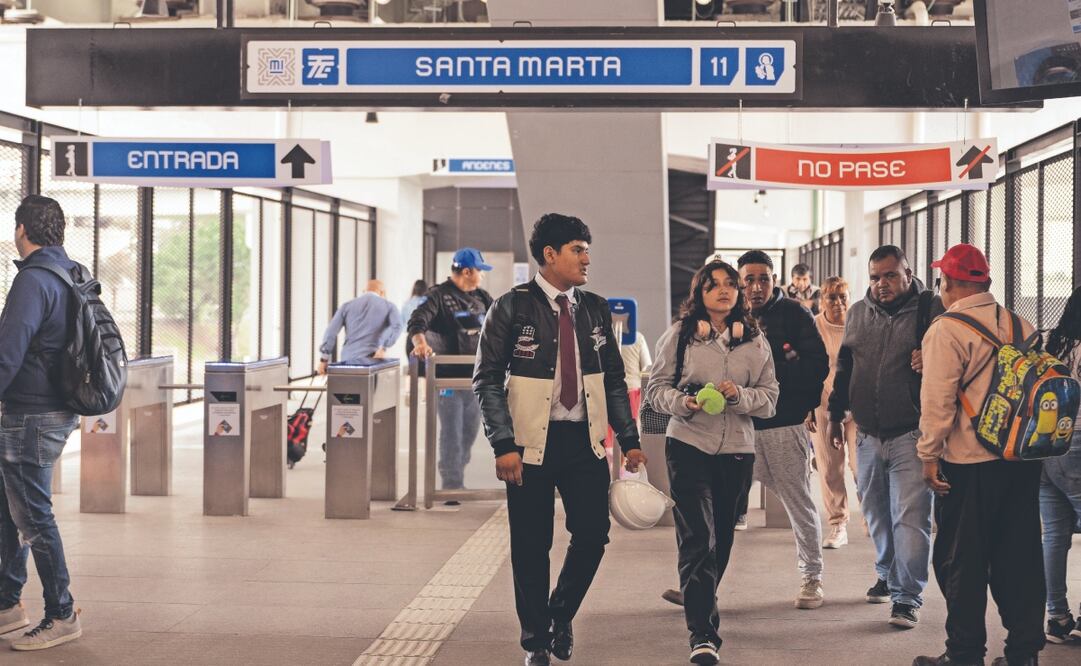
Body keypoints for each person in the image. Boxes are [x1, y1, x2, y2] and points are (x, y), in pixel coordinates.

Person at [473, 213, 645, 666]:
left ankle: (559, 614)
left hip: (584, 443)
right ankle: (536, 642)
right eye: (577, 249)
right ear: (549, 254)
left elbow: (612, 378)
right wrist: (502, 444)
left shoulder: (594, 308)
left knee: (593, 534)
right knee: (531, 546)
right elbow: (487, 379)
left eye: (587, 248)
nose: (587, 258)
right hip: (529, 447)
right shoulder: (511, 307)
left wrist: (628, 439)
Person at [914, 244, 1045, 666]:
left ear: (947, 283)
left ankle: (964, 654)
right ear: (985, 282)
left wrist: (928, 456)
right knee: (1020, 556)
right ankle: (1023, 654)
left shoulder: (946, 329)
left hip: (968, 466)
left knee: (961, 563)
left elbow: (938, 402)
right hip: (1021, 461)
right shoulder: (1022, 325)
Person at [647, 260, 778, 665]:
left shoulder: (755, 340)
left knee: (720, 537)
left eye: (730, 284)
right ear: (699, 293)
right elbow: (655, 390)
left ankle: (698, 595)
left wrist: (739, 396)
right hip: (688, 446)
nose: (723, 290)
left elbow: (771, 399)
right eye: (713, 284)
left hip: (737, 451)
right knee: (698, 539)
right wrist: (684, 403)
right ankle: (703, 634)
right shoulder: (680, 337)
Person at [828, 246, 941, 629]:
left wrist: (930, 356)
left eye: (890, 275)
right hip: (867, 433)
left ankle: (907, 597)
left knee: (910, 518)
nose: (881, 284)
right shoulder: (859, 312)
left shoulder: (931, 310)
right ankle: (888, 571)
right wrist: (834, 414)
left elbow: (953, 359)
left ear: (908, 273)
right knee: (876, 513)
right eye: (875, 277)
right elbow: (846, 365)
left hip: (912, 433)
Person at [0, 196, 84, 650]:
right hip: (57, 405)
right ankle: (8, 603)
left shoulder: (33, 280)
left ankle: (61, 613)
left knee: (32, 516)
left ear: (21, 230)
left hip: (30, 413)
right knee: (8, 508)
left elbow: (8, 352)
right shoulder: (72, 273)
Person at [738, 250, 829, 609]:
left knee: (798, 501)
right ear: (740, 282)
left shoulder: (793, 312)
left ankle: (812, 579)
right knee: (719, 506)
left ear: (775, 279)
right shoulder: (733, 313)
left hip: (782, 424)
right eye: (749, 279)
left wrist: (790, 400)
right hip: (740, 425)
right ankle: (702, 584)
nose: (757, 287)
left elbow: (818, 364)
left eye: (764, 278)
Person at [409, 249, 493, 495]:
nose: (482, 277)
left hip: (475, 380)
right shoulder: (437, 296)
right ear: (467, 272)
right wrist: (420, 343)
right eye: (480, 271)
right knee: (451, 432)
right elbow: (417, 321)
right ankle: (451, 483)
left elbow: (500, 324)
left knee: (469, 431)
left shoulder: (482, 297)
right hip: (446, 380)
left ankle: (457, 473)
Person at [1037, 287, 1081, 645]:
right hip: (1079, 444)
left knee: (1054, 535)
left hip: (1046, 445)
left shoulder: (1055, 346)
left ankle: (1057, 616)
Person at [807, 276, 858, 550]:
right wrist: (807, 406)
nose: (838, 302)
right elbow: (807, 368)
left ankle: (873, 519)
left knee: (863, 467)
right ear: (821, 299)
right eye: (831, 297)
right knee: (829, 468)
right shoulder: (814, 327)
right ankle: (838, 523)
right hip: (824, 403)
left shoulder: (859, 323)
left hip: (858, 404)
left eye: (842, 296)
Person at [317, 279, 402, 374]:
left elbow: (331, 332)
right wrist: (383, 347)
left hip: (348, 360)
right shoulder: (389, 306)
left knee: (349, 388)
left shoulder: (346, 306)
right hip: (373, 360)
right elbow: (398, 327)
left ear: (364, 291)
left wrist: (324, 360)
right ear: (382, 292)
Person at [603, 330, 651, 460]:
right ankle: (625, 471)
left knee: (608, 437)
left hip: (607, 390)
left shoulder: (601, 335)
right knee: (629, 430)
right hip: (632, 390)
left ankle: (612, 466)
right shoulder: (638, 337)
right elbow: (646, 367)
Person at [400, 279, 428, 356]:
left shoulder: (407, 303)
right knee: (426, 367)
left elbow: (402, 324)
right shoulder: (427, 302)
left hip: (410, 338)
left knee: (412, 366)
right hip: (424, 339)